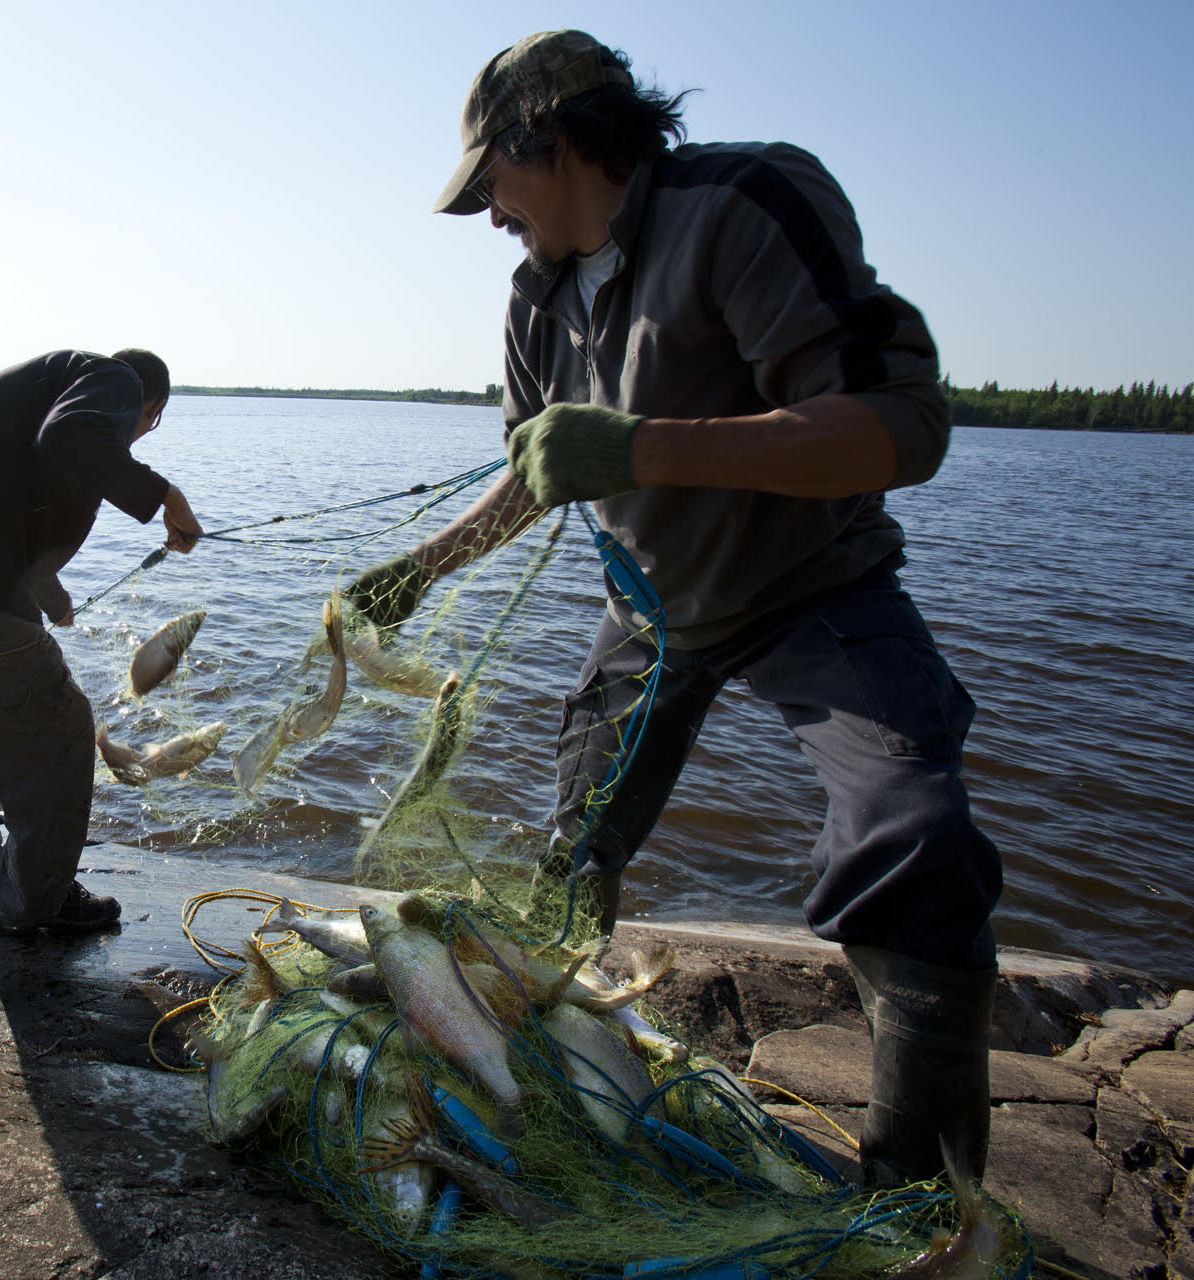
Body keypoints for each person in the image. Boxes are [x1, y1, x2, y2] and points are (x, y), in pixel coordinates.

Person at [344, 31, 1001, 1188]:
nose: (487, 214)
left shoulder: (743, 204)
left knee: (918, 840)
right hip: (650, 611)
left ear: (546, 141)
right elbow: (542, 468)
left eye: (489, 182)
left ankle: (918, 1196)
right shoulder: (534, 297)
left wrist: (646, 443)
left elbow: (903, 426)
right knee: (577, 848)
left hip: (816, 589)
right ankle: (543, 1057)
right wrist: (425, 565)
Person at [0, 349, 202, 936]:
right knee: (60, 732)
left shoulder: (46, 386)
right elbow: (70, 442)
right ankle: (36, 902)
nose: (139, 432)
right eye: (149, 422)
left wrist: (48, 592)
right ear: (151, 405)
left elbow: (8, 484)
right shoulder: (114, 379)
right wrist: (167, 496)